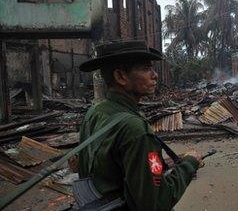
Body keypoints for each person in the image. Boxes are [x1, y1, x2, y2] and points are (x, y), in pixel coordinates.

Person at [77, 41, 202, 210]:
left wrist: (162, 165)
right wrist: (189, 163)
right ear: (121, 76)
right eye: (145, 68)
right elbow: (156, 202)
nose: (155, 75)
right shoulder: (135, 129)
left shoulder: (94, 113)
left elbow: (107, 169)